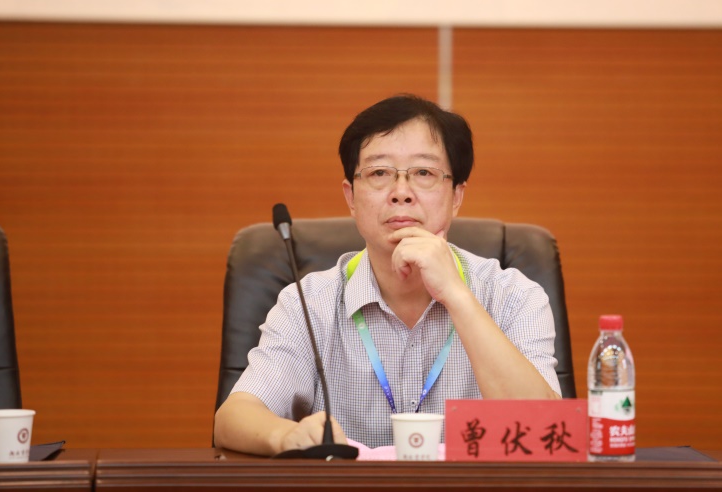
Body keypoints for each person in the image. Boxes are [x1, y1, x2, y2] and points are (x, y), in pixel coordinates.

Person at [213, 94, 560, 455]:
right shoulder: (309, 303)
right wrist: (286, 436)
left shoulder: (513, 296)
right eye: (379, 173)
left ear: (456, 196)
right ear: (351, 197)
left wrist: (457, 296)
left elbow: (545, 432)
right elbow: (234, 417)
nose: (401, 193)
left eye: (424, 173)